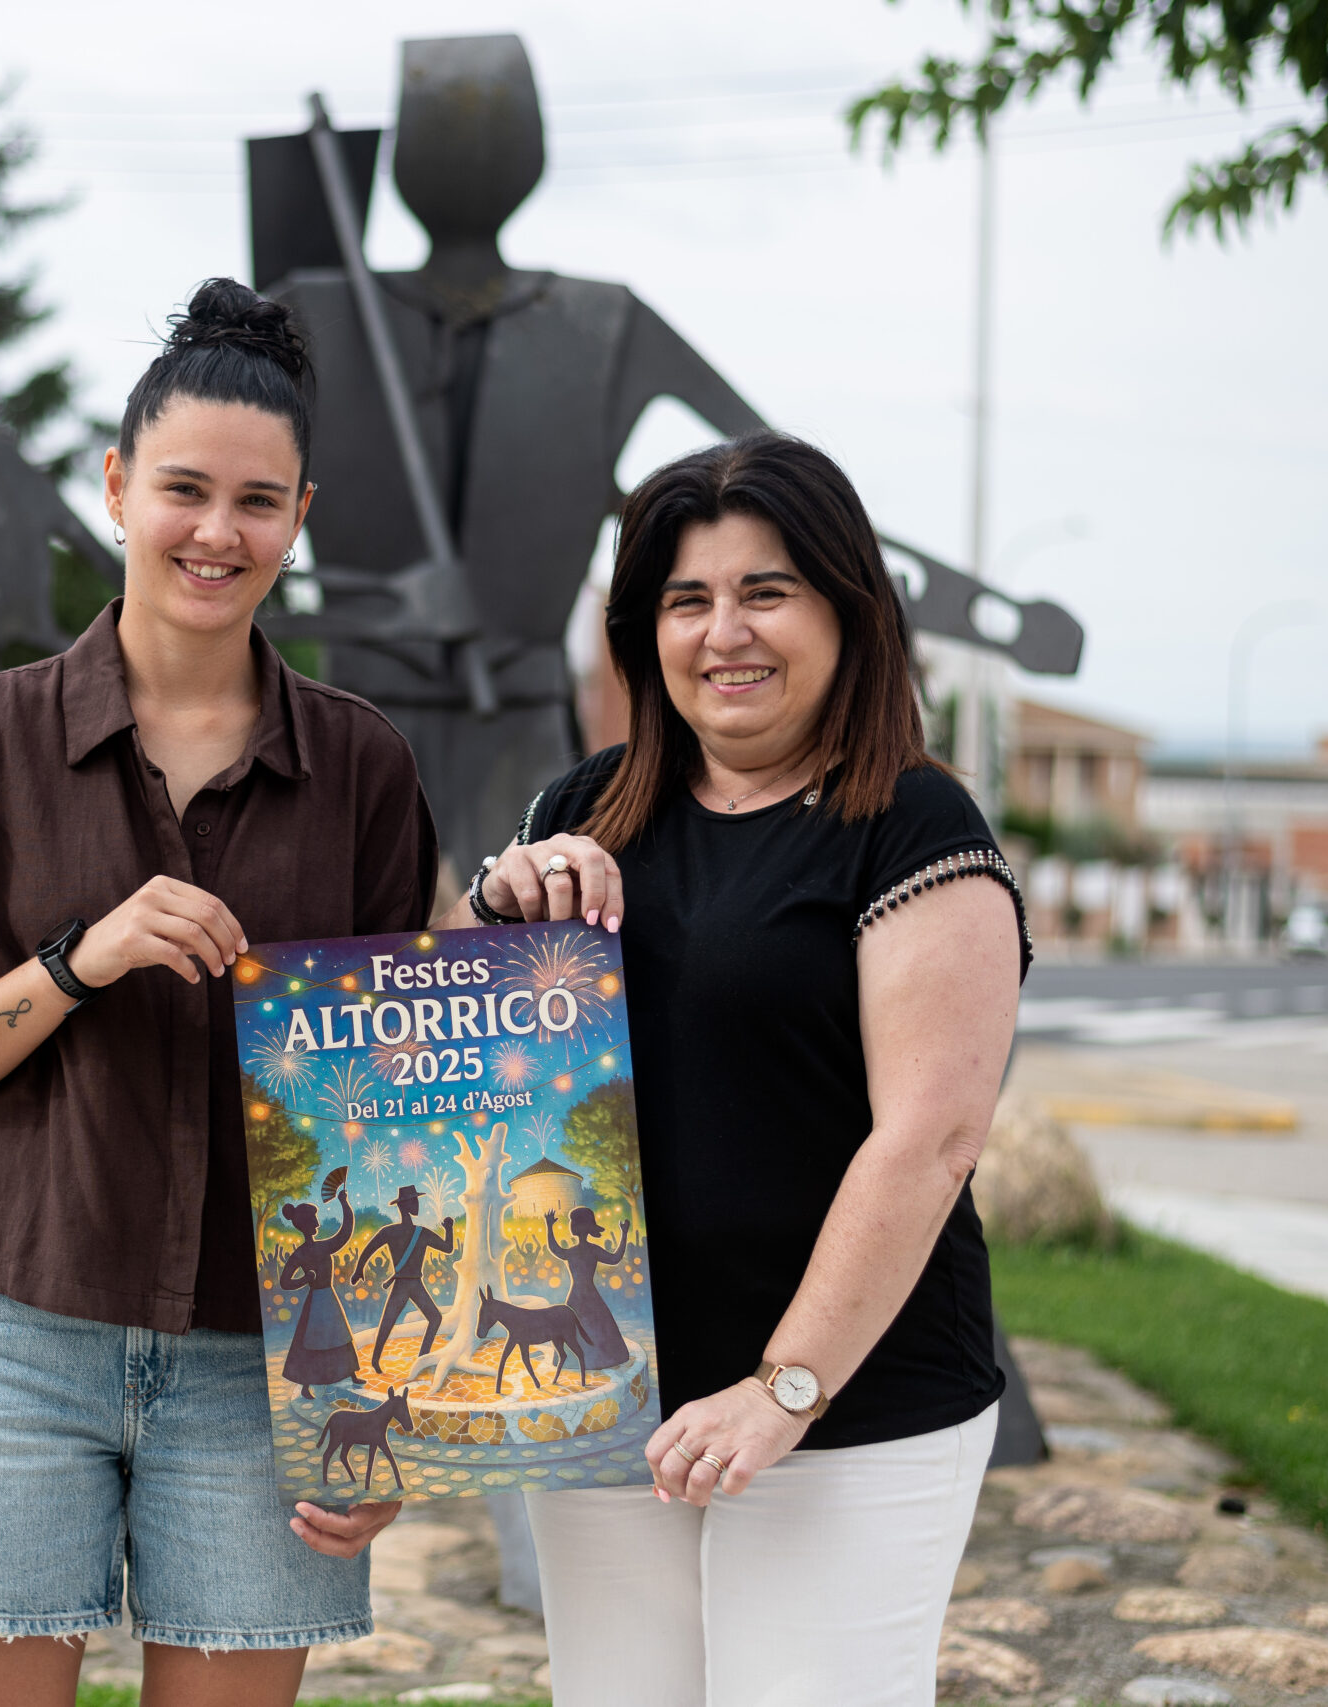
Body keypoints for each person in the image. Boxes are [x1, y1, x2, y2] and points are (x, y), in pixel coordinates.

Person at [0, 279, 439, 1707]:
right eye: (183, 489)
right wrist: (75, 962)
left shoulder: (362, 770)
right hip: (11, 1342)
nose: (217, 532)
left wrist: (387, 1405)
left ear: (299, 517)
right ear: (116, 487)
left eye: (257, 501)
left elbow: (408, 1111)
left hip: (266, 1362)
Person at [438, 432, 1029, 1705]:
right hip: (606, 1393)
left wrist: (781, 1391)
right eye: (686, 600)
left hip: (852, 1407)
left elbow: (928, 1138)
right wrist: (491, 913)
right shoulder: (578, 812)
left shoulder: (912, 826)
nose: (724, 634)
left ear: (846, 611)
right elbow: (466, 1085)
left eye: (766, 591)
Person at [344, 1184, 456, 1374]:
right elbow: (448, 1247)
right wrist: (449, 1229)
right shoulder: (411, 1232)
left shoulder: (399, 1232)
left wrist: (359, 1269)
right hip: (406, 1285)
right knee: (391, 1322)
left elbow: (447, 1249)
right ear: (404, 1206)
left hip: (411, 1284)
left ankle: (419, 1358)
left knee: (424, 1319)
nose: (417, 1204)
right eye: (414, 1201)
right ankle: (385, 1359)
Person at [277, 1192, 361, 1398]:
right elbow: (285, 1282)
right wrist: (305, 1279)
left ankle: (352, 1374)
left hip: (328, 1298)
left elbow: (345, 1233)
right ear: (306, 1224)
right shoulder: (301, 1253)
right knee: (312, 1341)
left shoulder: (323, 1246)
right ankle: (306, 1385)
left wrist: (344, 1204)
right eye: (313, 1219)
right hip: (316, 1301)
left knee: (340, 1336)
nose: (317, 1222)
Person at [541, 1206, 631, 1377]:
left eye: (573, 1222)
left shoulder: (584, 1250)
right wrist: (549, 1226)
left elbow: (614, 1258)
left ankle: (589, 1360)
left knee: (585, 1327)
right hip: (582, 1296)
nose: (571, 1225)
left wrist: (550, 1226)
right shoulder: (582, 1250)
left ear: (582, 1226)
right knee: (574, 1327)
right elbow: (556, 1249)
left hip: (581, 1297)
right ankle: (580, 1361)